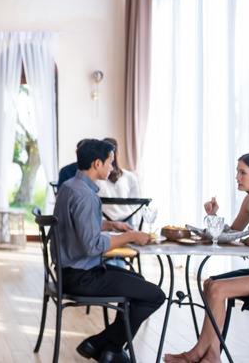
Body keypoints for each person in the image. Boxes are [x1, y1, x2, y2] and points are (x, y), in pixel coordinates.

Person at [54, 139, 164, 363]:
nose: (113, 169)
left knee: (138, 281)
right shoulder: (86, 195)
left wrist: (111, 225)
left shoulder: (70, 187)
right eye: (110, 163)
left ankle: (104, 346)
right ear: (97, 163)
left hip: (70, 271)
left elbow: (77, 224)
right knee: (155, 296)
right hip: (82, 277)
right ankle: (108, 345)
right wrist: (131, 236)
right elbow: (92, 245)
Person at [164, 152, 249, 363]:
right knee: (210, 283)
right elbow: (233, 233)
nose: (237, 177)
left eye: (242, 172)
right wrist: (213, 217)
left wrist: (242, 240)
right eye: (237, 172)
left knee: (218, 288)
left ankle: (198, 353)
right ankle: (211, 354)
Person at [96, 137, 142, 225]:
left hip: (104, 225)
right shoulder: (130, 177)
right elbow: (136, 205)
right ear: (117, 154)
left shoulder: (96, 179)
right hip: (128, 225)